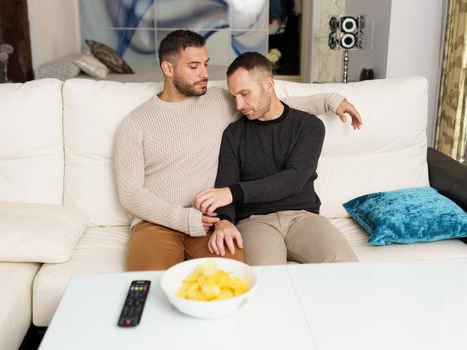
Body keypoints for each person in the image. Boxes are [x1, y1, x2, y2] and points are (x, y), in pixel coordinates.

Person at [115, 30, 361, 271]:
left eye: (206, 64)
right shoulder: (135, 123)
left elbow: (268, 104)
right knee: (148, 282)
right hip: (156, 223)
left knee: (232, 279)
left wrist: (329, 100)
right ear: (168, 69)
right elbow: (130, 193)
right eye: (194, 66)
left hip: (209, 221)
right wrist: (185, 219)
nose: (205, 74)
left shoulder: (219, 101)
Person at [194, 52, 359, 265]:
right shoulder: (233, 134)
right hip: (255, 223)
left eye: (245, 93)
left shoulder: (309, 126)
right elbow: (224, 186)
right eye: (234, 96)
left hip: (303, 217)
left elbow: (294, 178)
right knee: (266, 278)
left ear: (268, 84)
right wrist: (224, 221)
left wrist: (235, 192)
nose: (238, 105)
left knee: (346, 265)